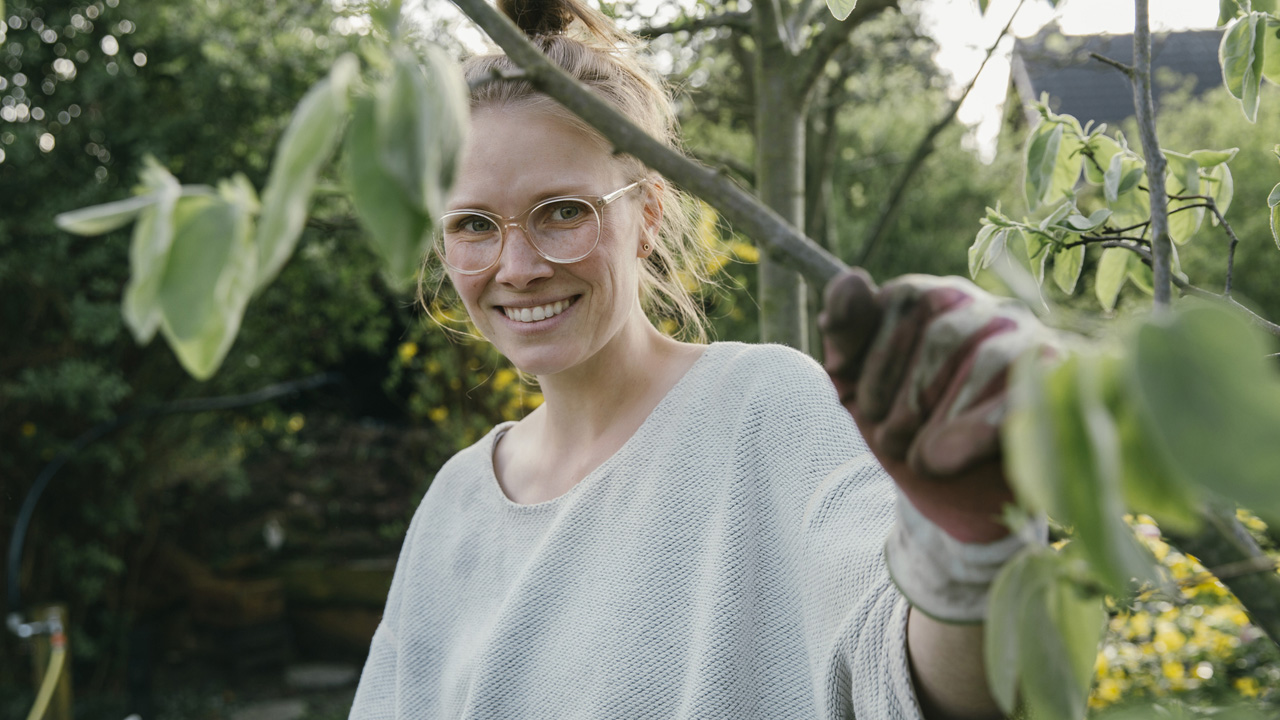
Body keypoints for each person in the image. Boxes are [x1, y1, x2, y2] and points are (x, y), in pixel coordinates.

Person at [349, 0, 1049, 717]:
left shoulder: (765, 408)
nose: (518, 266)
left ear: (647, 215)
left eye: (563, 210)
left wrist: (969, 536)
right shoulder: (454, 504)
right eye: (473, 224)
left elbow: (913, 673)